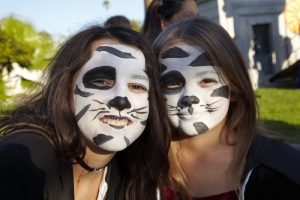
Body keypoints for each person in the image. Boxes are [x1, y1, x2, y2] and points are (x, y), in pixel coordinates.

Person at [0, 25, 170, 200]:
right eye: (101, 81)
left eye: (137, 86)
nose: (121, 101)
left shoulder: (136, 175)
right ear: (65, 87)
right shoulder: (19, 165)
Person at [153, 16, 300, 199]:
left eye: (207, 80)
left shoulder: (282, 170)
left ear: (234, 89)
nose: (190, 98)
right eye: (173, 83)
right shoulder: (142, 167)